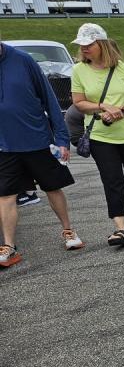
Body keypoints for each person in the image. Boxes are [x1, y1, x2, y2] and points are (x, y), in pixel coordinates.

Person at [0, 40, 84, 268]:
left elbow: (49, 98)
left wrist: (61, 138)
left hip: (37, 140)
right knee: (5, 195)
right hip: (4, 146)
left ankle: (68, 230)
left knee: (52, 188)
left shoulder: (23, 60)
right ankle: (9, 247)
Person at [70, 23, 124, 248]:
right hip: (100, 136)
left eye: (89, 44)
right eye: (81, 45)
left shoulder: (123, 68)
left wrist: (121, 112)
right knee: (112, 180)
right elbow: (78, 103)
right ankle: (120, 227)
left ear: (102, 44)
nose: (84, 49)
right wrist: (102, 106)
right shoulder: (78, 70)